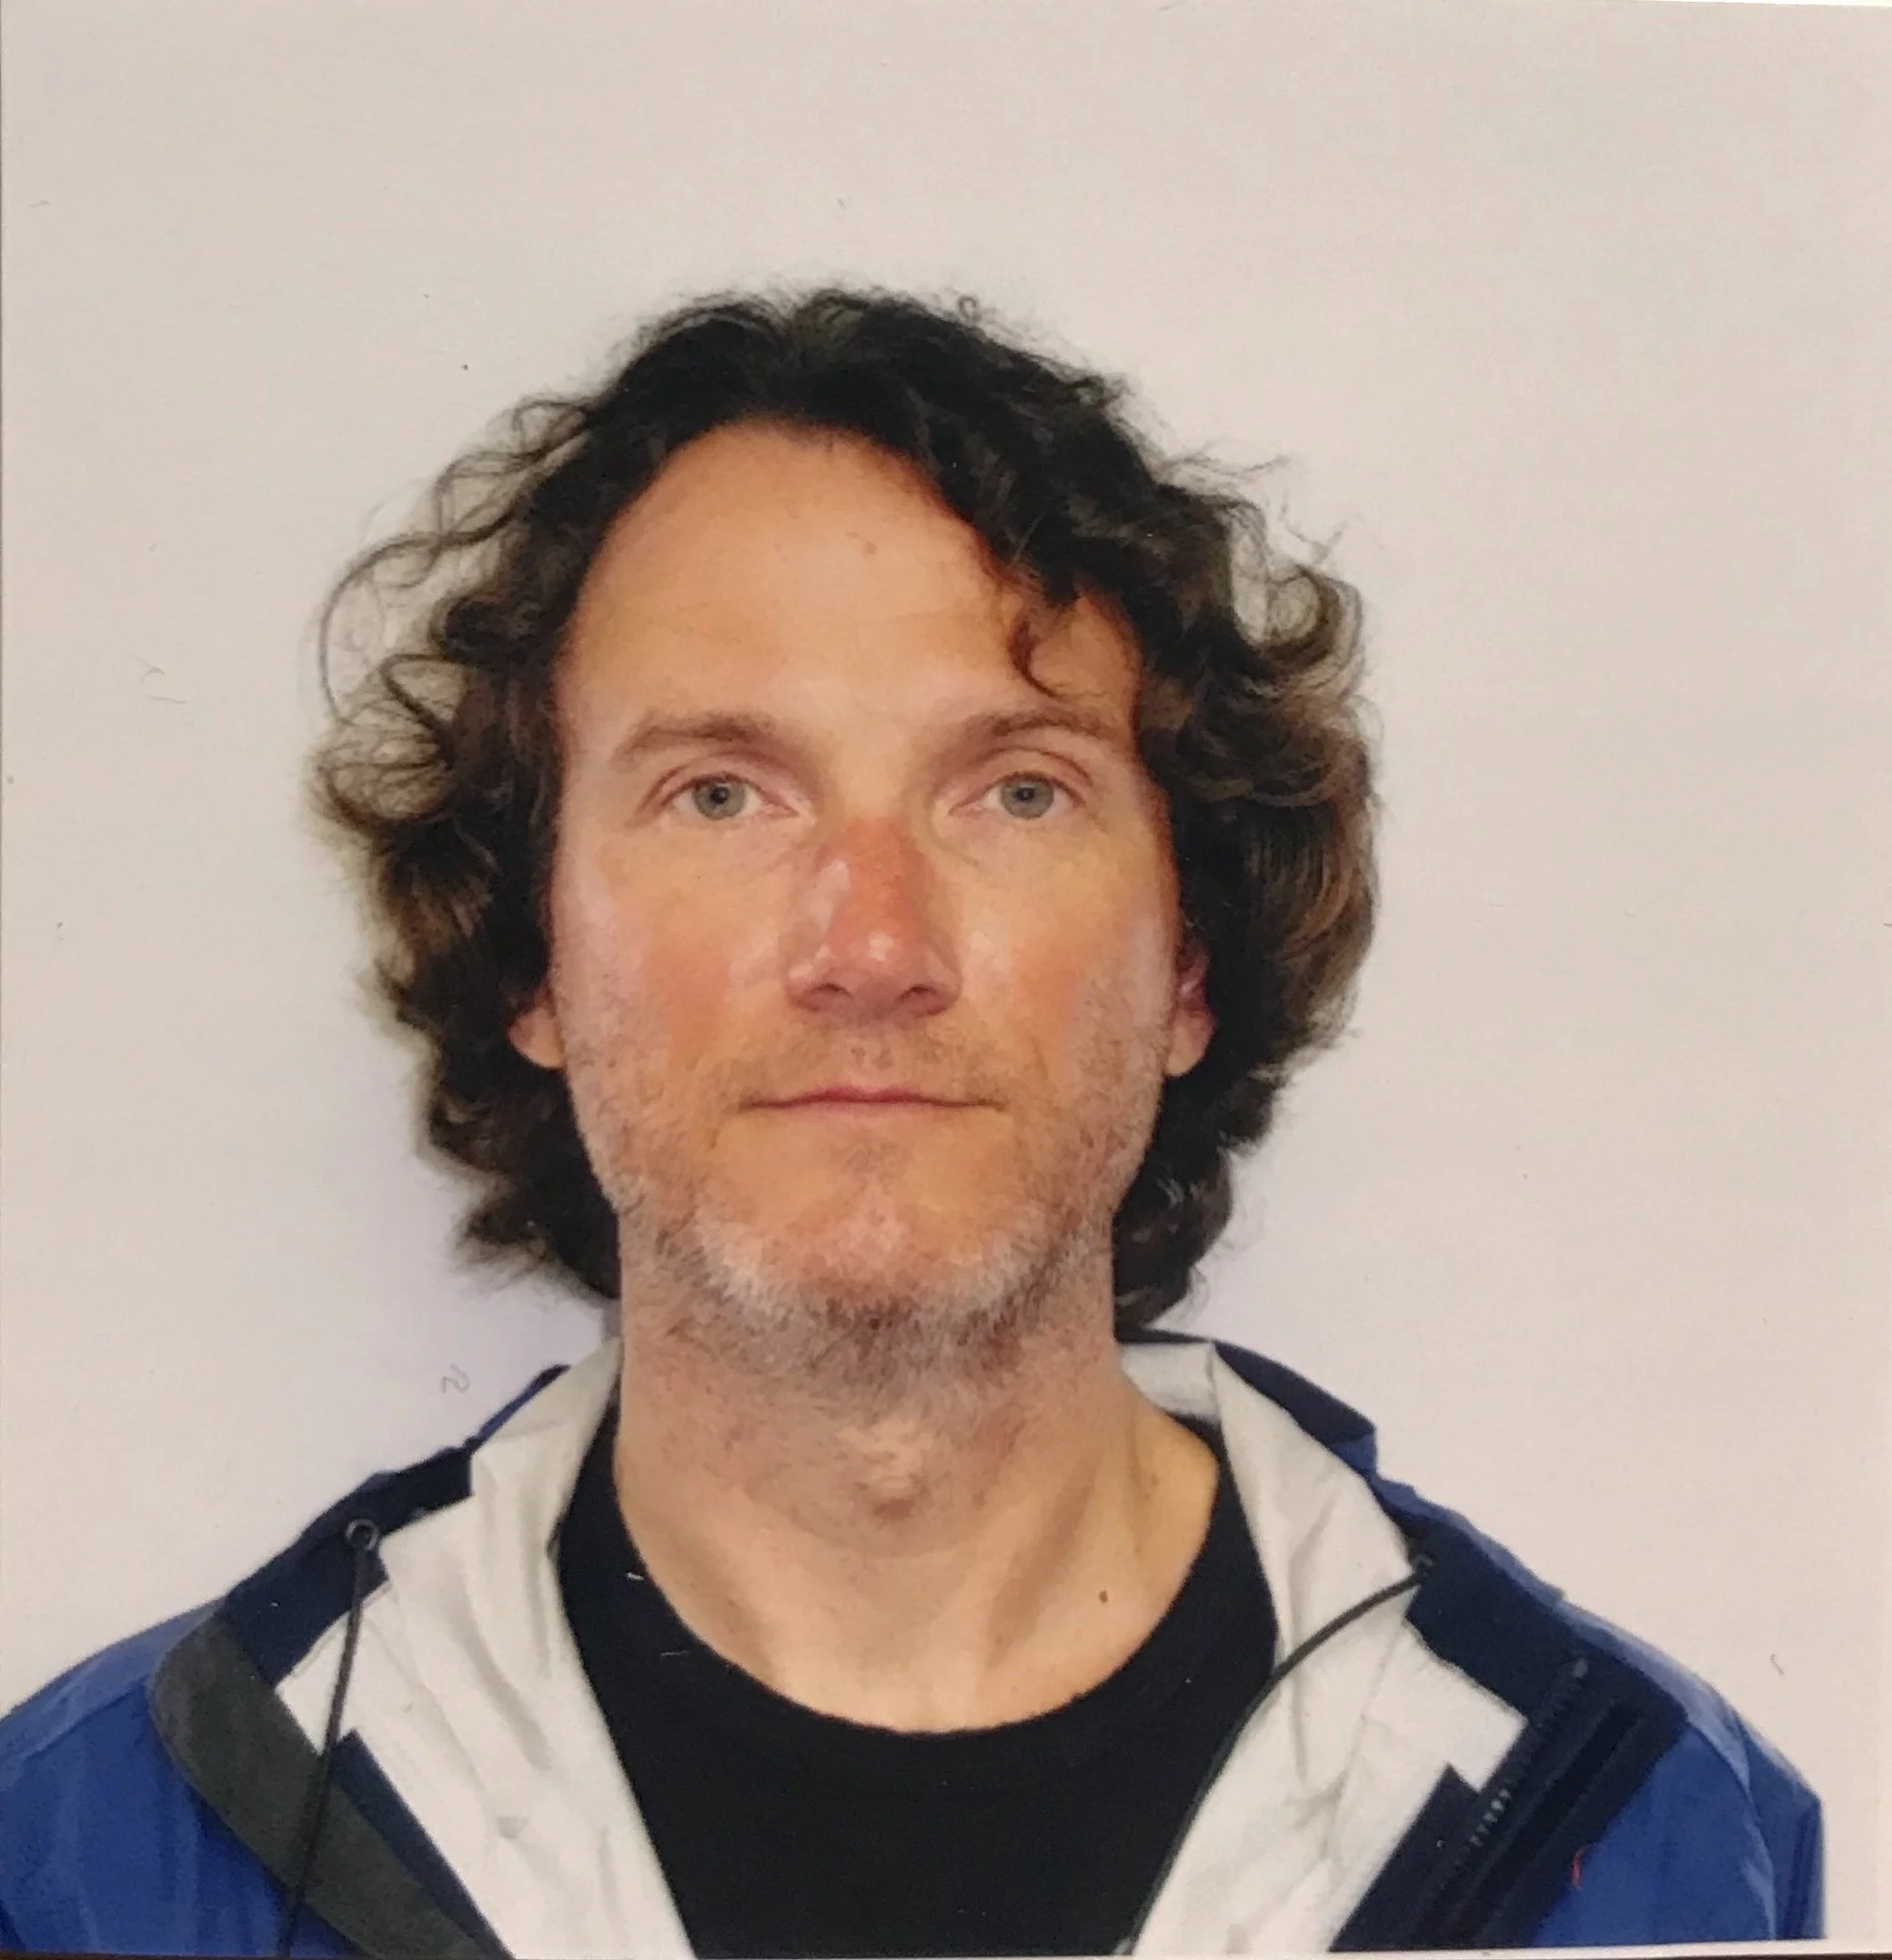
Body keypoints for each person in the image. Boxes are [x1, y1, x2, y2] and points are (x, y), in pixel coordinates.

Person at [0, 287, 1821, 1956]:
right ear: (531, 957)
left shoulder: (1664, 1846)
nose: (871, 947)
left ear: (1186, 965)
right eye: (723, 794)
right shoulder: (91, 1858)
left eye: (1013, 792)